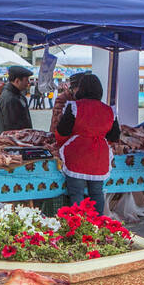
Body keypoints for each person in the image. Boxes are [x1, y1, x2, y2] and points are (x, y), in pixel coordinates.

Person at [53, 73, 120, 214]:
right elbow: (114, 135)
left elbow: (62, 131)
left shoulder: (74, 106)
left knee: (76, 192)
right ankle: (97, 226)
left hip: (77, 154)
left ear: (81, 89)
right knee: (96, 193)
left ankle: (77, 227)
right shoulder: (109, 110)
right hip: (99, 155)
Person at [0, 65, 33, 134]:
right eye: (26, 80)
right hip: (14, 141)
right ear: (17, 81)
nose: (28, 83)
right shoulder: (9, 98)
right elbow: (11, 127)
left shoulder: (18, 94)